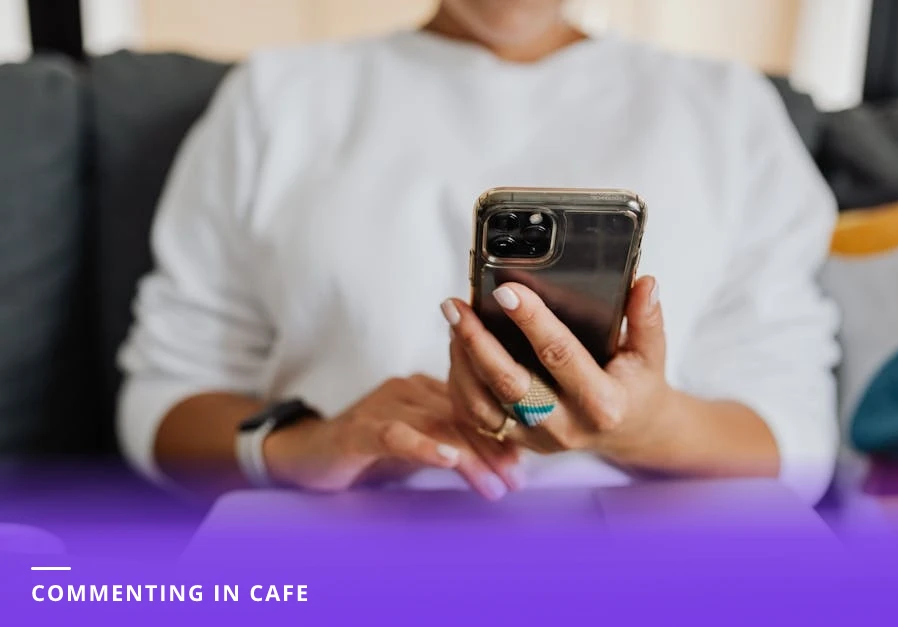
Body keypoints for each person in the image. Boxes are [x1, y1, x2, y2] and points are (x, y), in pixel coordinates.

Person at [118, 0, 840, 505]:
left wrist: (650, 428)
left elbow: (797, 438)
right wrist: (307, 448)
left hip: (651, 542)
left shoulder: (726, 108)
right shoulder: (275, 98)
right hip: (346, 529)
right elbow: (163, 397)